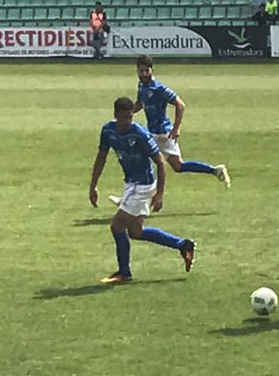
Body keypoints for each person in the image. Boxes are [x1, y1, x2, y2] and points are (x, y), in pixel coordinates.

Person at [89, 97, 196, 285]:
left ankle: (124, 272)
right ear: (115, 115)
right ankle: (182, 245)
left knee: (116, 226)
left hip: (143, 185)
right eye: (124, 118)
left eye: (130, 117)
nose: (127, 121)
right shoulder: (108, 131)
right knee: (136, 232)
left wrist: (160, 194)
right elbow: (101, 157)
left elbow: (161, 163)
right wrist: (93, 185)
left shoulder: (140, 134)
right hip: (130, 183)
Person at [107, 55, 230, 205]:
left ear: (152, 70)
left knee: (142, 162)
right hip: (153, 133)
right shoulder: (141, 86)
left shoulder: (158, 89)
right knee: (175, 166)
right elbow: (140, 103)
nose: (144, 74)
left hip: (162, 134)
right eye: (141, 71)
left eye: (147, 70)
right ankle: (214, 170)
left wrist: (176, 127)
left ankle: (129, 199)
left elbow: (180, 104)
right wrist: (125, 115)